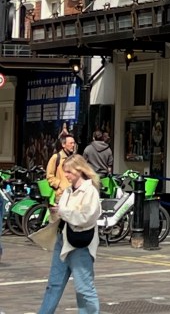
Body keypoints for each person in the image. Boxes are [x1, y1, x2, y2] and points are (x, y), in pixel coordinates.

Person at [37, 154, 102, 314]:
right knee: (53, 284)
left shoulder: (90, 191)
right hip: (63, 240)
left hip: (80, 245)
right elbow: (64, 214)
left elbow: (86, 217)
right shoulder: (67, 191)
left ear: (80, 170)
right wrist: (56, 212)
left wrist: (63, 211)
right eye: (65, 171)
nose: (66, 175)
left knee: (84, 289)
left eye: (69, 172)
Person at [47, 133, 77, 204]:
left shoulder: (74, 158)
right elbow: (49, 176)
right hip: (61, 195)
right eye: (71, 143)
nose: (73, 145)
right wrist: (60, 184)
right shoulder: (56, 157)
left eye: (74, 143)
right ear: (63, 145)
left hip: (73, 195)